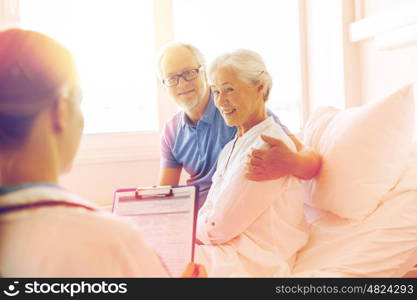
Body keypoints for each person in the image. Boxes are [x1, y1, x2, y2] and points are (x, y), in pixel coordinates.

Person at [0, 28, 205, 277]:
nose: (182, 83)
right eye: (80, 101)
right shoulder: (112, 242)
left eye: (188, 74)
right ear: (61, 111)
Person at [157, 42, 321, 208]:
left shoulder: (235, 110)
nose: (182, 84)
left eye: (189, 73)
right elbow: (165, 194)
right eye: (172, 78)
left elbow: (311, 162)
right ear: (164, 85)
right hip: (194, 217)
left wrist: (291, 163)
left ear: (204, 73)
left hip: (225, 215)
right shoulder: (171, 131)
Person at [194, 49, 309, 277]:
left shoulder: (267, 147)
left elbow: (219, 228)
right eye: (215, 91)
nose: (220, 101)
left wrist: (189, 231)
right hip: (227, 251)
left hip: (255, 262)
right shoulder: (231, 147)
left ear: (260, 88)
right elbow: (211, 212)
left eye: (229, 89)